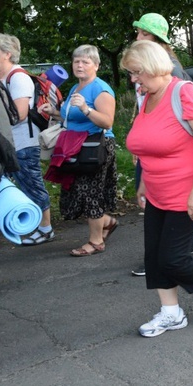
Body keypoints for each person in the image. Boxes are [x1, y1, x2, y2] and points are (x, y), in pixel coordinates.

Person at [122, 40, 193, 337]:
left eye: (137, 72)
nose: (134, 79)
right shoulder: (149, 96)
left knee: (172, 258)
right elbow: (148, 144)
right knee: (154, 256)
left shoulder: (183, 92)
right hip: (158, 191)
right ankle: (171, 313)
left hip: (187, 192)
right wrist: (145, 184)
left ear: (152, 67)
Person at [131, 13, 193, 277]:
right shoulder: (143, 66)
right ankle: (159, 257)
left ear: (157, 39)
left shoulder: (171, 69)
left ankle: (171, 254)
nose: (138, 37)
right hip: (151, 148)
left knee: (167, 209)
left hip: (171, 155)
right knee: (147, 198)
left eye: (144, 34)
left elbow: (188, 120)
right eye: (139, 32)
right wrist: (139, 144)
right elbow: (143, 107)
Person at [0, 34, 54, 246]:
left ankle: (46, 229)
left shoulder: (17, 77)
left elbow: (19, 114)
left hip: (22, 145)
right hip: (2, 145)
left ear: (7, 54)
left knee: (31, 185)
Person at [40, 45, 117, 256]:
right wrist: (54, 112)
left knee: (90, 193)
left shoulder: (100, 89)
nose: (80, 65)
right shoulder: (75, 88)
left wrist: (86, 108)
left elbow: (107, 121)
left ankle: (96, 241)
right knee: (78, 192)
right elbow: (70, 117)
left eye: (86, 62)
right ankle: (107, 222)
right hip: (76, 147)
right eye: (76, 61)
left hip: (96, 147)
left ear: (96, 65)